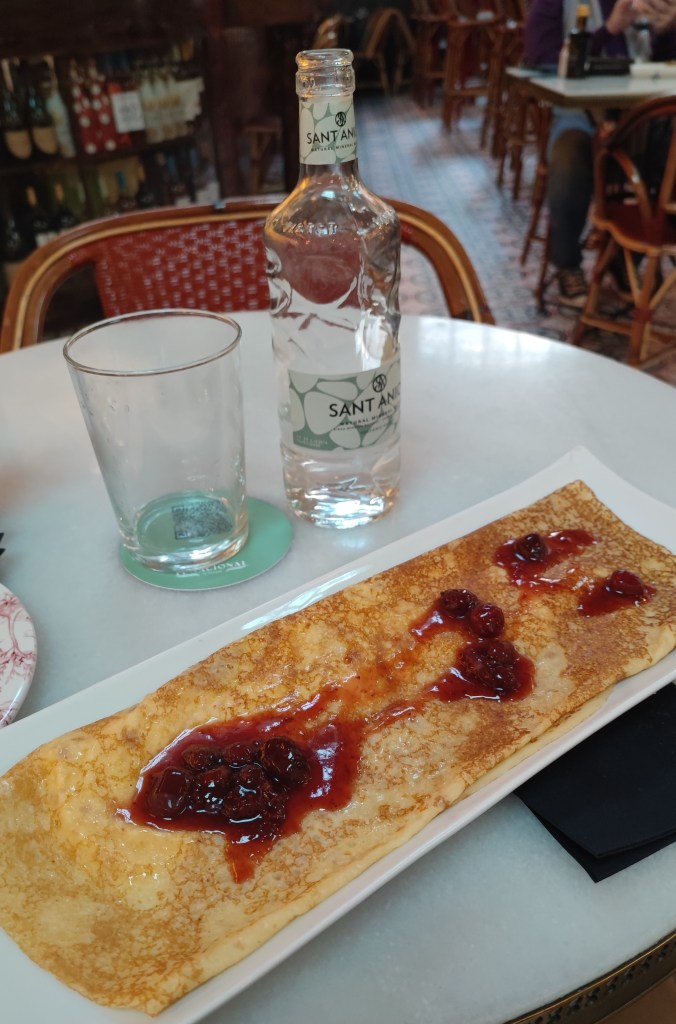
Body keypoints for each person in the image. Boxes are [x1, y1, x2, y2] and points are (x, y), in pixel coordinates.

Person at [524, 0, 676, 307]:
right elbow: (542, 61)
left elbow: (663, 67)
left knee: (668, 150)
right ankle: (567, 263)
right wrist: (608, 30)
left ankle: (627, 256)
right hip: (582, 113)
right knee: (569, 156)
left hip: (639, 115)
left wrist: (669, 30)